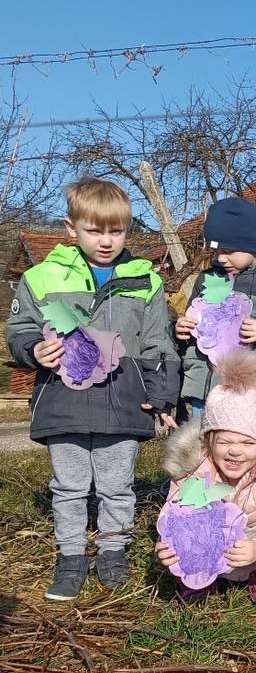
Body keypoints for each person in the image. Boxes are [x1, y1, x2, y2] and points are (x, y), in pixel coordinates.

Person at [6, 177, 180, 600]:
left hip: (123, 401)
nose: (106, 240)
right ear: (72, 229)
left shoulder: (146, 281)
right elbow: (20, 328)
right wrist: (33, 348)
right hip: (63, 399)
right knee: (68, 486)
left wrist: (160, 397)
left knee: (117, 485)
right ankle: (70, 558)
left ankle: (113, 552)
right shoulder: (40, 277)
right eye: (95, 230)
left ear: (127, 229)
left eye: (116, 231)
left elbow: (160, 343)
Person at [156, 350, 256, 603]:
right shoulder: (193, 466)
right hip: (209, 545)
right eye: (224, 441)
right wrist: (167, 544)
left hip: (255, 544)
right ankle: (197, 581)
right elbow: (173, 512)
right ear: (209, 442)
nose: (235, 450)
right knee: (183, 535)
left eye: (247, 443)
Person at [176, 196, 256, 418]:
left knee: (240, 450)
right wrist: (180, 330)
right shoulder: (206, 279)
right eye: (216, 251)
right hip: (202, 391)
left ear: (252, 245)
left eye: (229, 251)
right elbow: (193, 326)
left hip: (248, 393)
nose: (221, 258)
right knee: (200, 450)